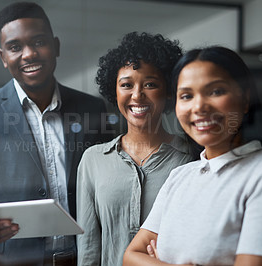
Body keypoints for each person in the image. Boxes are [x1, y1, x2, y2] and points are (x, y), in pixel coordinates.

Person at [0, 2, 111, 265]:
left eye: (39, 42)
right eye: (15, 47)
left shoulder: (92, 109)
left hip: (85, 259)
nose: (29, 54)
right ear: (3, 57)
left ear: (56, 46)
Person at [123, 46, 262, 266]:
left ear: (245, 99)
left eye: (216, 91)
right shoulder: (179, 177)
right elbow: (130, 257)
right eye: (187, 95)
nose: (199, 106)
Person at [76, 32, 199, 266]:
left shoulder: (192, 157)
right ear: (115, 91)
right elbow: (89, 248)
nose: (137, 95)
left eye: (150, 84)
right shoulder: (93, 160)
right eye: (126, 85)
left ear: (168, 91)